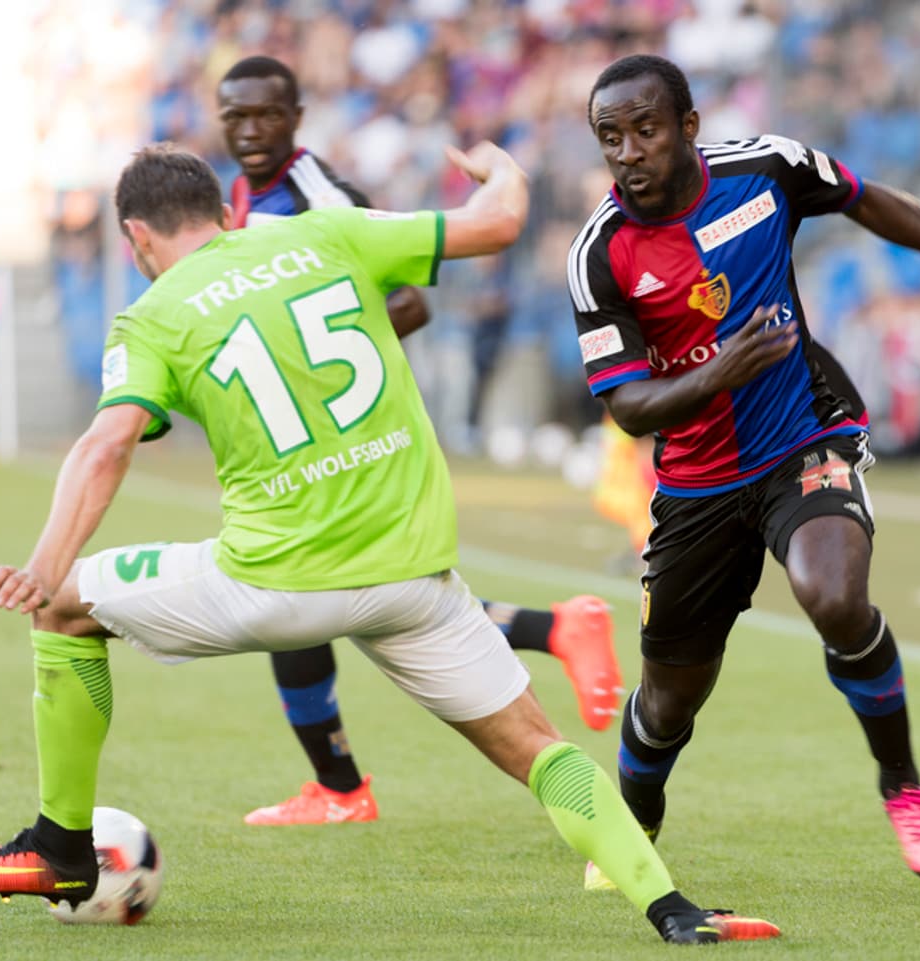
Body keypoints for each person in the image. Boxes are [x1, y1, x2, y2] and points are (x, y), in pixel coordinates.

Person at [0, 141, 779, 945]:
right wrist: (499, 166)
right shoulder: (328, 234)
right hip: (414, 582)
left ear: (138, 237)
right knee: (539, 747)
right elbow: (499, 221)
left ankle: (60, 846)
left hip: (273, 584)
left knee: (69, 608)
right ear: (221, 213)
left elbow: (106, 443)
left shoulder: (149, 316)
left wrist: (41, 570)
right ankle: (672, 908)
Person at [567, 55, 920, 888]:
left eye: (645, 130)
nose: (630, 152)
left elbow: (870, 202)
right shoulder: (602, 254)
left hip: (804, 436)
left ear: (687, 127)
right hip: (695, 486)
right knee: (668, 701)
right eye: (611, 137)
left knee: (833, 595)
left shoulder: (764, 170)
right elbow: (630, 408)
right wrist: (723, 369)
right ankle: (635, 824)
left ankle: (903, 786)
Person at [217, 54, 622, 826]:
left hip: (346, 435)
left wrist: (303, 362)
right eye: (235, 117)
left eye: (266, 113)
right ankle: (552, 629)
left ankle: (340, 789)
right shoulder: (245, 194)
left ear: (297, 115)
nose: (251, 130)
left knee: (299, 593)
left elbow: (408, 303)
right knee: (338, 596)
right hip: (307, 441)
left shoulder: (317, 196)